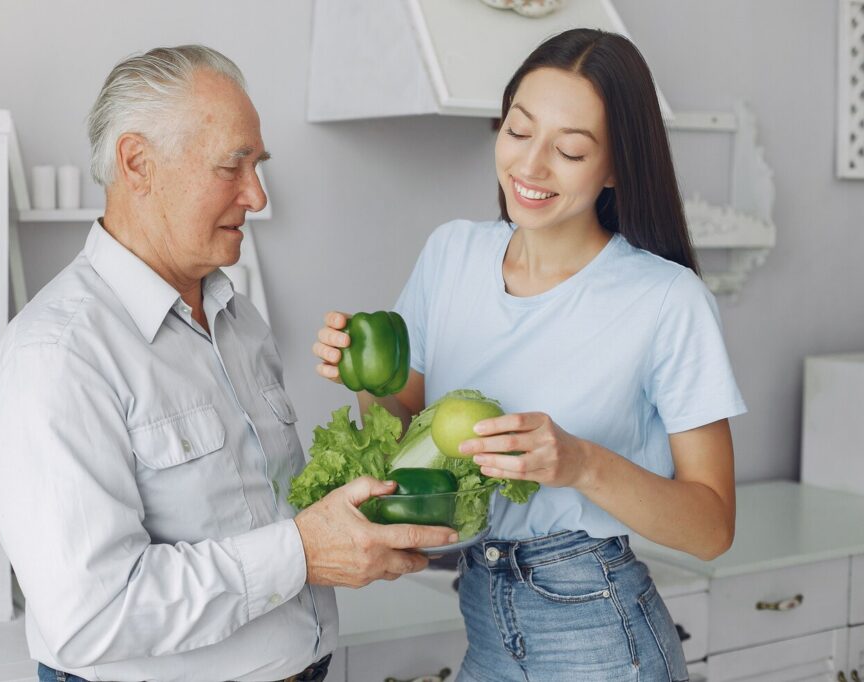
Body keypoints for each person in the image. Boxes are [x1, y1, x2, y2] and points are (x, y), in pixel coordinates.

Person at [0, 45, 457, 682]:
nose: (256, 195)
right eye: (233, 166)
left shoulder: (235, 318)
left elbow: (255, 517)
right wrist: (304, 552)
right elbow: (92, 615)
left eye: (258, 166)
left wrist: (349, 524)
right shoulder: (54, 359)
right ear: (138, 163)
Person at [313, 29, 745, 681]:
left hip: (599, 634)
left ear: (615, 167)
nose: (531, 166)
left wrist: (580, 463)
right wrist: (367, 373)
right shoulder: (451, 253)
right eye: (518, 132)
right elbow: (407, 435)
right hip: (485, 613)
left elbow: (712, 526)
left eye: (570, 150)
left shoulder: (666, 301)